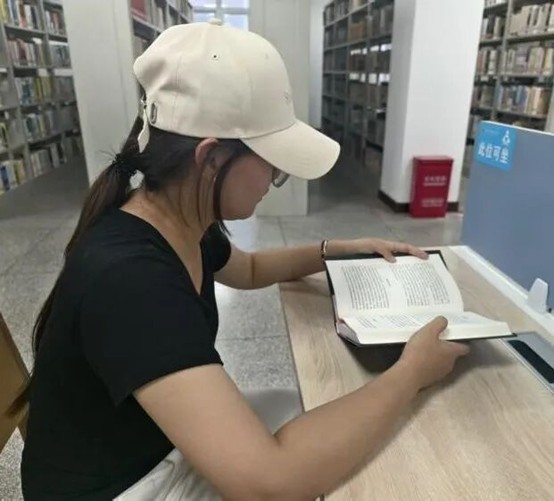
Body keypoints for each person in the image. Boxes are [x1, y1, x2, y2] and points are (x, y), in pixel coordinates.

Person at [18, 20, 469, 500]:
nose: (276, 178)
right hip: (125, 485)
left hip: (153, 443)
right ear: (210, 158)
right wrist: (412, 372)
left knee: (331, 420)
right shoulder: (130, 279)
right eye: (272, 164)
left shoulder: (176, 215)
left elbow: (249, 269)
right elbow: (267, 483)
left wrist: (333, 251)